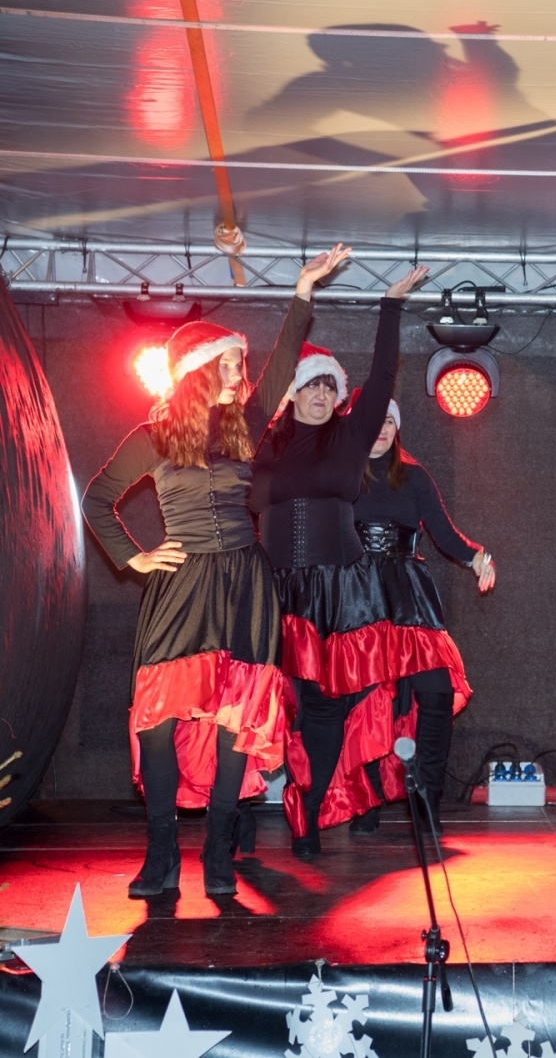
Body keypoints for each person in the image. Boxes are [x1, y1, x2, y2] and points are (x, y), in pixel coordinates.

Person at [82, 246, 348, 896]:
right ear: (200, 370)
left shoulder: (245, 426)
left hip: (243, 585)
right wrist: (134, 555)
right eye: (230, 361)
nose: (240, 369)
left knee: (239, 716)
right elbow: (96, 496)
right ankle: (163, 851)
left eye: (241, 362)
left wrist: (302, 291)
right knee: (159, 719)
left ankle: (221, 853)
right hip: (182, 586)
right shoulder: (152, 435)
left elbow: (285, 363)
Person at [251, 262, 430, 858]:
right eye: (314, 385)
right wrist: (301, 297)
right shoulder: (260, 441)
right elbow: (267, 380)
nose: (325, 394)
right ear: (293, 391)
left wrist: (390, 303)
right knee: (263, 704)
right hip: (271, 587)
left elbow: (382, 374)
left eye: (331, 386)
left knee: (323, 707)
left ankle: (306, 820)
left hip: (338, 591)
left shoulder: (351, 437)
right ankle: (242, 813)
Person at [339, 397, 495, 832]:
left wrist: (477, 557)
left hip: (408, 594)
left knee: (437, 691)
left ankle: (426, 796)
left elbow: (444, 533)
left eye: (390, 421)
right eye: (376, 421)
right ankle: (365, 801)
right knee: (365, 701)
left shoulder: (414, 476)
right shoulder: (341, 475)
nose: (383, 429)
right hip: (356, 596)